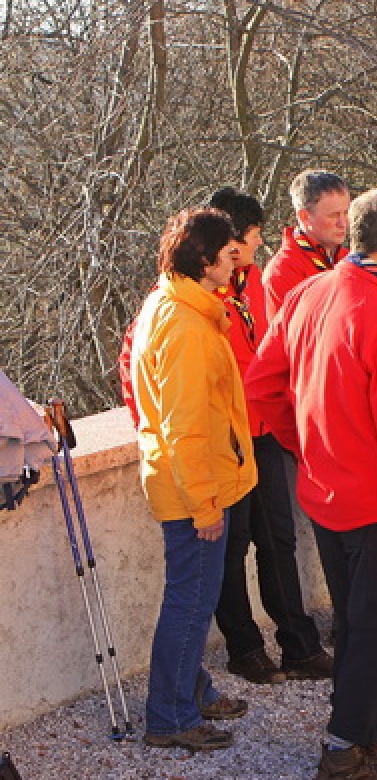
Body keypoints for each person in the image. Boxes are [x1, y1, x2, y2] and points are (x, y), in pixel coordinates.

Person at [246, 188, 377, 780]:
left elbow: (262, 386)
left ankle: (361, 732)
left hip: (324, 493)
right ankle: (344, 753)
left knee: (356, 622)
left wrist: (305, 444)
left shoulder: (306, 292)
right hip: (373, 503)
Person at [130, 208, 257, 751]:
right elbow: (186, 429)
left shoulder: (178, 305)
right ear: (204, 261)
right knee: (190, 601)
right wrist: (205, 506)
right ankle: (171, 716)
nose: (236, 262)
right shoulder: (184, 324)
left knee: (193, 596)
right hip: (191, 489)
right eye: (229, 254)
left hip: (186, 481)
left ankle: (191, 691)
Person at [206, 188, 331, 686]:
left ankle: (298, 645)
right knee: (234, 544)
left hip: (264, 428)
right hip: (228, 435)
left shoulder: (251, 278)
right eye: (254, 238)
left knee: (277, 539)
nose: (258, 246)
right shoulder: (200, 290)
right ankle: (245, 648)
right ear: (232, 242)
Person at [262, 169, 351, 320]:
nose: (343, 223)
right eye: (333, 215)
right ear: (304, 217)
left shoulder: (348, 260)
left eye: (346, 213)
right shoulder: (283, 271)